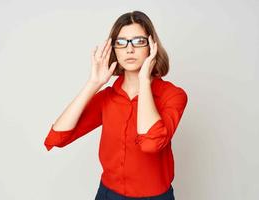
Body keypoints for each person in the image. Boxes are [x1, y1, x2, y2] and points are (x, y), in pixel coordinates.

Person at [44, 10, 188, 200]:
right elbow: (57, 137)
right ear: (114, 50)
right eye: (121, 42)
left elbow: (151, 144)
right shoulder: (108, 97)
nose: (129, 49)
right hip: (107, 194)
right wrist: (93, 83)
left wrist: (144, 79)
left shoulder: (173, 95)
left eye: (138, 41)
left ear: (151, 46)